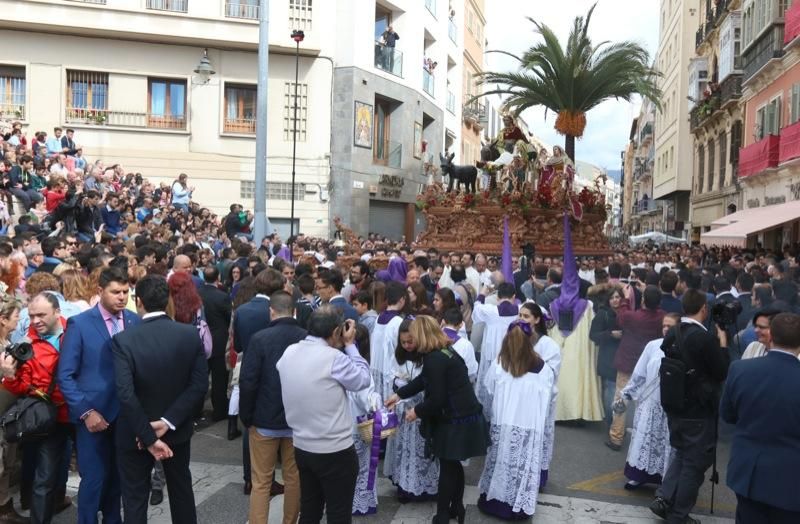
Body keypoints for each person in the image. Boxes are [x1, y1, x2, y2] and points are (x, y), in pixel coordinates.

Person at [111, 274, 208, 524]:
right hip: (176, 429)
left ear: (138, 301)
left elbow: (125, 393)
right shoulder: (188, 334)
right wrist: (169, 420)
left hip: (135, 432)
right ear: (167, 301)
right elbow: (198, 385)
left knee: (134, 498)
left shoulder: (124, 340)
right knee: (181, 491)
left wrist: (147, 435)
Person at [385, 316, 489, 524]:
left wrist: (416, 411)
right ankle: (456, 507)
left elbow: (438, 399)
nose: (410, 342)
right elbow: (424, 380)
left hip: (455, 420)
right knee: (453, 465)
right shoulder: (444, 351)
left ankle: (442, 515)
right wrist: (400, 394)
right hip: (464, 416)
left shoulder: (434, 359)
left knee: (448, 468)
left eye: (413, 337)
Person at [58, 267, 140, 524]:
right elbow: (65, 375)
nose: (122, 297)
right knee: (93, 480)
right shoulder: (80, 324)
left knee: (118, 478)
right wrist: (85, 412)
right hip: (93, 417)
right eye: (116, 292)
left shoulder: (134, 321)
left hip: (126, 415)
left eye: (126, 292)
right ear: (99, 291)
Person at [277, 306, 371, 524]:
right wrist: (350, 345)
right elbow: (362, 379)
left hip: (302, 445)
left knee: (310, 510)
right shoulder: (334, 359)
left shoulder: (290, 352)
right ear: (337, 331)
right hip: (335, 449)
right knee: (338, 513)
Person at [650, 289, 730, 524]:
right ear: (704, 308)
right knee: (694, 464)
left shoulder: (674, 332)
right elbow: (722, 371)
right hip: (698, 409)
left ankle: (664, 498)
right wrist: (723, 344)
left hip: (675, 404)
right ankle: (678, 514)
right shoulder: (703, 338)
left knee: (682, 454)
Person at [720, 312, 800, 523]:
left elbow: (727, 415)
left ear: (771, 336)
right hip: (792, 479)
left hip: (749, 473)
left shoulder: (740, 369)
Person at [1, 294, 70, 524]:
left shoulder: (75, 332)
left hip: (82, 414)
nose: (35, 320)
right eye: (31, 316)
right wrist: (10, 375)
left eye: (41, 315)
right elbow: (21, 386)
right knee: (44, 478)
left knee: (93, 473)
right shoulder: (26, 344)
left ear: (57, 312)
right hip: (50, 418)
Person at [238, 291, 305, 524]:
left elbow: (247, 382)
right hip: (297, 420)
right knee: (294, 478)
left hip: (263, 419)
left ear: (271, 311)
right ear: (295, 311)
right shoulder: (306, 338)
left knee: (261, 481)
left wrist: (246, 417)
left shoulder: (259, 339)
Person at [477, 321, 553, 520]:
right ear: (530, 341)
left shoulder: (500, 363)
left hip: (504, 423)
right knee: (521, 466)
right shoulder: (543, 368)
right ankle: (517, 505)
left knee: (501, 462)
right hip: (529, 427)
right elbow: (550, 396)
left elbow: (489, 388)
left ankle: (494, 501)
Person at [618, 314, 680, 490]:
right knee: (644, 439)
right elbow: (640, 372)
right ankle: (638, 476)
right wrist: (627, 394)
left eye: (670, 326)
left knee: (666, 443)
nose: (666, 329)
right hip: (650, 404)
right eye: (664, 325)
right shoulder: (653, 346)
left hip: (671, 406)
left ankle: (666, 483)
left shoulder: (684, 348)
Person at [385, 318, 440, 501]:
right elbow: (390, 375)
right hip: (402, 411)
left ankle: (423, 485)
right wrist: (396, 383)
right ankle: (404, 483)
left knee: (421, 449)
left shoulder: (427, 357)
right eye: (403, 342)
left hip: (420, 410)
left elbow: (427, 382)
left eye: (410, 341)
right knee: (404, 447)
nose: (407, 345)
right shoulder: (398, 356)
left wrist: (407, 387)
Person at [607, 285, 665, 451]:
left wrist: (625, 298)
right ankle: (642, 438)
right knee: (644, 402)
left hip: (627, 362)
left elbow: (621, 317)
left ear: (643, 300)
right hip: (647, 367)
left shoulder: (634, 317)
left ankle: (616, 437)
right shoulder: (662, 316)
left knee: (621, 399)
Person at [520, 302, 561, 488]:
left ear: (537, 320)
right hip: (519, 399)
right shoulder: (514, 339)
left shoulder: (549, 345)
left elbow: (551, 375)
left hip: (539, 402)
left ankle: (536, 477)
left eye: (526, 316)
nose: (522, 319)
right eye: (520, 315)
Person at [0, 295, 29, 524]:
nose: (19, 322)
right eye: (16, 317)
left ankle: (5, 508)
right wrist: (7, 375)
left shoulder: (9, 343)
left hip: (7, 417)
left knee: (6, 465)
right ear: (3, 319)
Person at [348, 325, 382, 516]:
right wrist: (377, 402)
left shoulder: (337, 362)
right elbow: (366, 398)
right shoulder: (359, 367)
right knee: (362, 468)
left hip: (340, 425)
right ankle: (360, 503)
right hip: (357, 425)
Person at [473, 282, 519, 416]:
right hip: (512, 354)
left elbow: (476, 308)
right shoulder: (521, 310)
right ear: (514, 296)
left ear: (498, 297)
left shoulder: (490, 310)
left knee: (489, 387)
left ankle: (488, 416)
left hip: (492, 355)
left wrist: (482, 293)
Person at [197, 266, 232, 422]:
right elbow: (228, 317)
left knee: (201, 377)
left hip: (201, 340)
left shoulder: (197, 294)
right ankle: (220, 411)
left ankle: (197, 410)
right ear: (218, 277)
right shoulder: (222, 297)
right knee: (219, 380)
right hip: (218, 342)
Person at [589, 285, 623, 427]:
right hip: (608, 356)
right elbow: (593, 335)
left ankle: (615, 422)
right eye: (612, 298)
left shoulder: (625, 313)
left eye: (618, 297)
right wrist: (610, 334)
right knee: (610, 388)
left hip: (622, 355)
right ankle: (611, 423)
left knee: (616, 390)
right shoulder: (603, 314)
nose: (615, 300)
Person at [369, 281, 406, 399]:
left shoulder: (379, 317)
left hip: (377, 369)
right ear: (401, 300)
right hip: (390, 372)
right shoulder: (397, 321)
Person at [441, 308, 478, 383]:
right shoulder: (466, 345)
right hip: (458, 387)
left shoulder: (433, 340)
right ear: (461, 324)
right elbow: (471, 373)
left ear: (443, 321)